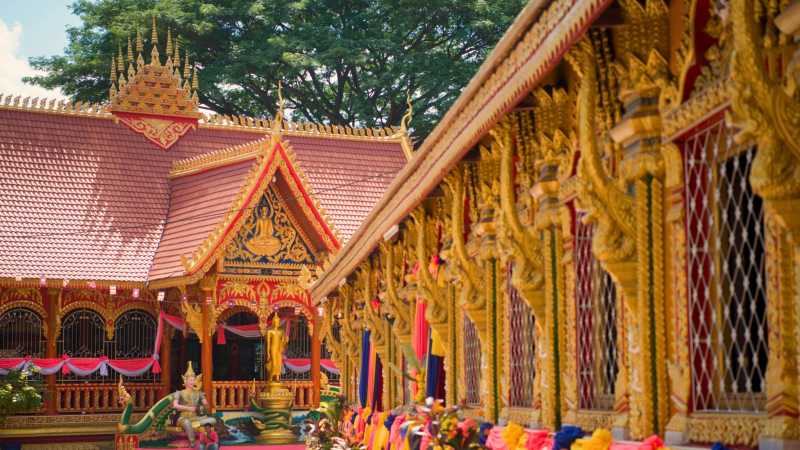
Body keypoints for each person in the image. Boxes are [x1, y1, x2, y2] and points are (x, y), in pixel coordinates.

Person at [172, 363, 216, 448]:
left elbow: (206, 406)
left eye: (193, 380)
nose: (192, 382)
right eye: (190, 380)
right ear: (185, 381)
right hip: (183, 417)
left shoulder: (198, 393)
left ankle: (194, 424)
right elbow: (175, 405)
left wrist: (206, 404)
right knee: (187, 422)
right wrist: (187, 408)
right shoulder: (179, 393)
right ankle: (192, 441)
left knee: (212, 420)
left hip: (195, 418)